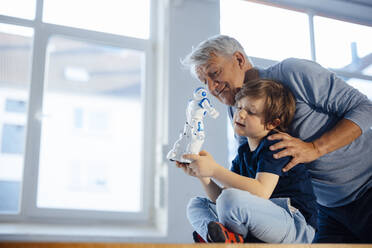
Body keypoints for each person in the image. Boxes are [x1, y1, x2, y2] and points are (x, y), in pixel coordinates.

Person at [181, 35, 372, 243]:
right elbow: (252, 173)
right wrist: (204, 173)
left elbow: (365, 108)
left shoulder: (293, 72)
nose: (211, 87)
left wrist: (315, 148)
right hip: (325, 207)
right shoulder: (235, 109)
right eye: (204, 81)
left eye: (214, 73)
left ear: (239, 59)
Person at [178, 79, 317, 243]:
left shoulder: (276, 145)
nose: (241, 114)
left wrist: (214, 170)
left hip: (294, 225)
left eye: (251, 112)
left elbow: (261, 192)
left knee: (229, 199)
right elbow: (221, 200)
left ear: (273, 123)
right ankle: (219, 237)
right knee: (197, 204)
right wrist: (203, 175)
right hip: (259, 223)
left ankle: (225, 238)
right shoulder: (243, 153)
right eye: (239, 107)